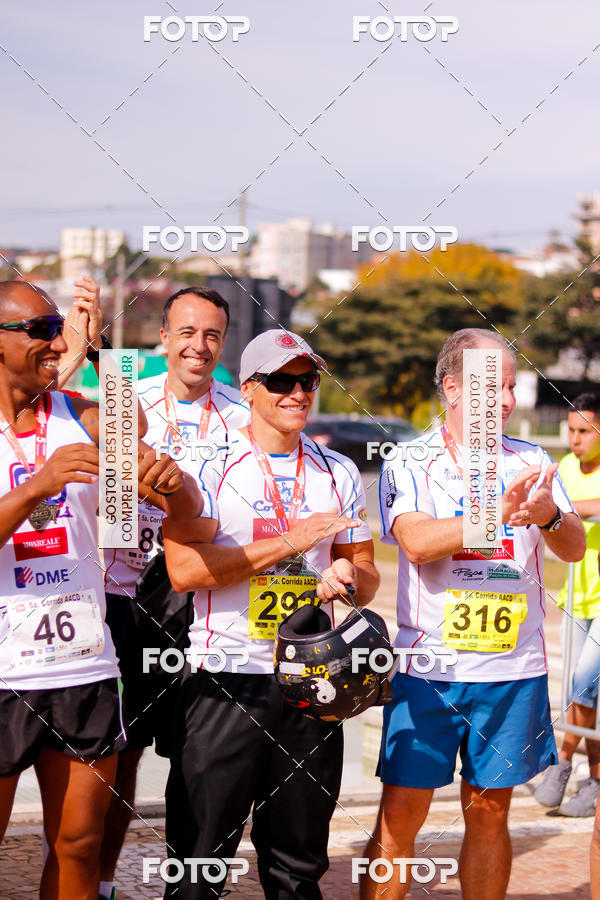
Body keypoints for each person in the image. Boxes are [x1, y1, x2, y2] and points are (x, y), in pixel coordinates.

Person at [362, 327, 585, 900]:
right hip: (429, 670)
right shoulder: (410, 460)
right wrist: (495, 515)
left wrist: (548, 518)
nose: (508, 400)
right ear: (453, 388)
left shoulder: (532, 458)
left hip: (512, 671)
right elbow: (415, 542)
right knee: (400, 817)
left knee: (489, 814)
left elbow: (574, 548)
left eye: (512, 386)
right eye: (495, 386)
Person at [0, 281, 201, 900]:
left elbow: (173, 491)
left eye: (58, 326)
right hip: (6, 672)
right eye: (39, 330)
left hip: (84, 664)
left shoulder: (82, 416)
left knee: (80, 845)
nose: (56, 340)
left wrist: (173, 482)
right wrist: (37, 487)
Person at [162, 329, 379, 899]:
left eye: (307, 381)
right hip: (225, 678)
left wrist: (347, 578)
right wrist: (292, 541)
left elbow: (367, 573)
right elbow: (184, 571)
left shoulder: (339, 471)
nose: (298, 394)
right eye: (282, 382)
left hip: (309, 686)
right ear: (249, 387)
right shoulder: (205, 465)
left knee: (297, 869)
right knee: (198, 866)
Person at [98, 287, 249, 900]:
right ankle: (105, 884)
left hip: (207, 602)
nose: (200, 346)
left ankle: (189, 890)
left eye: (212, 335)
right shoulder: (125, 405)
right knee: (119, 755)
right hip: (127, 596)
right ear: (163, 338)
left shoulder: (245, 412)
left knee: (199, 756)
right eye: (187, 332)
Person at [535, 393, 600, 816]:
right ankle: (593, 780)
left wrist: (563, 511)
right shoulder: (566, 470)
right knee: (587, 693)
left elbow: (568, 512)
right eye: (571, 431)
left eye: (584, 431)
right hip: (577, 595)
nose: (574, 439)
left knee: (582, 679)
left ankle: (561, 761)